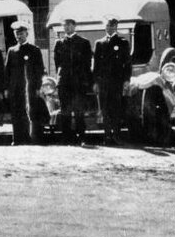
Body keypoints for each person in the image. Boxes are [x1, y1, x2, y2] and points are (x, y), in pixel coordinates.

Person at [92, 15, 132, 145]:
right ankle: (107, 136)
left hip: (116, 82)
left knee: (116, 109)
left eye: (112, 26)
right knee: (104, 110)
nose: (109, 28)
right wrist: (95, 82)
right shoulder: (99, 43)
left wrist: (126, 80)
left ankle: (117, 135)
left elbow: (127, 64)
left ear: (116, 27)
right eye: (107, 25)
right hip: (103, 83)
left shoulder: (122, 42)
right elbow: (96, 65)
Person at [54, 17, 93, 144]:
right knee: (65, 111)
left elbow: (87, 64)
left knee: (78, 111)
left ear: (74, 26)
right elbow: (57, 63)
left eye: (70, 25)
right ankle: (67, 138)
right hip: (64, 83)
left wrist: (85, 82)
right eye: (65, 25)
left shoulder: (83, 42)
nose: (67, 28)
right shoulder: (59, 43)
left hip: (78, 82)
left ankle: (81, 137)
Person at [5, 21, 45, 145]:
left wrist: (38, 87)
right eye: (17, 34)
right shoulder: (12, 51)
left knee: (32, 112)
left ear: (26, 34)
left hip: (31, 87)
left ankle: (33, 138)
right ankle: (17, 138)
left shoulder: (35, 50)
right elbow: (7, 71)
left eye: (21, 33)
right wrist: (7, 88)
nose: (19, 36)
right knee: (17, 113)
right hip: (16, 88)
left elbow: (40, 70)